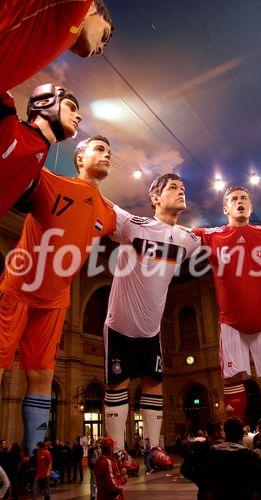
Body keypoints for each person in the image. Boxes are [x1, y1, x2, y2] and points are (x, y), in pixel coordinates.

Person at [0, 136, 116, 454]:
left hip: (55, 301)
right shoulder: (49, 180)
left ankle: (35, 454)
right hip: (19, 287)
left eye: (110, 151)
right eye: (100, 149)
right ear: (79, 158)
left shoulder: (107, 214)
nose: (108, 155)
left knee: (42, 375)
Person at [103, 174, 200, 465]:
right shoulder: (132, 224)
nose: (181, 191)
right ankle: (118, 449)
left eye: (183, 188)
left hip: (151, 330)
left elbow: (221, 236)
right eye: (172, 188)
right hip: (119, 325)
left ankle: (153, 447)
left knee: (154, 382)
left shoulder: (189, 239)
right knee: (117, 384)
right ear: (155, 198)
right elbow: (98, 202)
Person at [191, 187, 261, 427]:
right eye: (234, 199)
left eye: (244, 198)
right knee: (233, 377)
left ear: (251, 206)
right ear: (225, 208)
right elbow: (176, 231)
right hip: (230, 322)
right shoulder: (212, 235)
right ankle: (238, 432)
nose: (240, 202)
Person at [0, 83, 81, 219]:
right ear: (44, 102)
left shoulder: (36, 179)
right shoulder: (6, 116)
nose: (79, 117)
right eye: (71, 108)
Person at [0, 0, 113, 93]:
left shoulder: (59, 38)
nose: (100, 50)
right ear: (92, 7)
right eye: (104, 35)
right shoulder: (79, 5)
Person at [194, 416, 261, 500]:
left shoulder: (212, 454)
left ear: (226, 434)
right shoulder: (250, 456)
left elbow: (201, 477)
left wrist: (207, 492)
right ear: (241, 433)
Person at [181, 419, 223, 500]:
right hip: (206, 494)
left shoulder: (222, 447)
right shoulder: (200, 448)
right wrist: (203, 485)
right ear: (216, 432)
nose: (224, 433)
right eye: (222, 430)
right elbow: (185, 469)